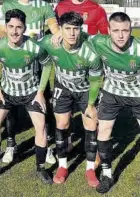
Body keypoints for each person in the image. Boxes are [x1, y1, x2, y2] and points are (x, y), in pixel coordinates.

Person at [1, 0, 61, 165]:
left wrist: (58, 34)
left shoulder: (43, 7)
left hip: (39, 67)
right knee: (11, 111)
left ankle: (48, 146)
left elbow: (53, 27)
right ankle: (11, 145)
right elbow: (4, 32)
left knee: (45, 107)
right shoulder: (9, 4)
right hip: (15, 67)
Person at [0, 9, 53, 184]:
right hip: (7, 92)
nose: (15, 31)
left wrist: (40, 93)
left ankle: (41, 168)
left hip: (30, 93)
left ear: (24, 28)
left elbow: (47, 65)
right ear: (5, 27)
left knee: (41, 127)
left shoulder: (35, 47)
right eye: (11, 27)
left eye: (19, 27)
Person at [39, 11, 102, 187]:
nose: (72, 33)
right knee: (62, 124)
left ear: (80, 30)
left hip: (85, 90)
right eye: (67, 29)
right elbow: (35, 50)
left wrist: (90, 104)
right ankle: (62, 166)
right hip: (63, 88)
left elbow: (96, 80)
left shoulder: (91, 52)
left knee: (91, 124)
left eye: (76, 29)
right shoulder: (50, 43)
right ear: (60, 29)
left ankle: (90, 169)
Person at [54, 0, 109, 158]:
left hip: (88, 72)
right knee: (65, 114)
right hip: (66, 69)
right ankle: (67, 143)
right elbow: (54, 32)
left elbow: (105, 38)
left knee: (91, 113)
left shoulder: (97, 9)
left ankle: (96, 152)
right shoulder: (60, 7)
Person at [88, 12, 140, 194]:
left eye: (125, 31)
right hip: (112, 93)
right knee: (103, 131)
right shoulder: (98, 42)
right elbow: (77, 38)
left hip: (138, 95)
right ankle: (107, 174)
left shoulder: (139, 49)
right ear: (108, 30)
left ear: (131, 30)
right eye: (115, 30)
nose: (120, 35)